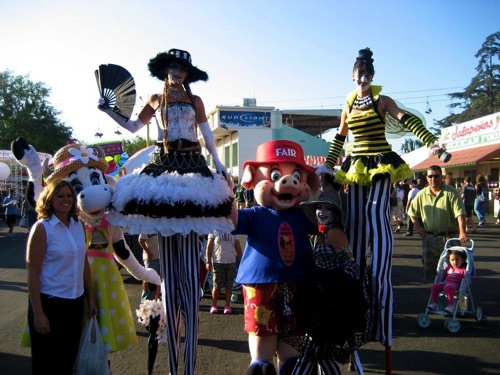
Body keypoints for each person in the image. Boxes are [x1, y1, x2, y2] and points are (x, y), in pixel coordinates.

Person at [99, 48, 233, 375]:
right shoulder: (156, 98)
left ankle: (187, 365)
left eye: (182, 68)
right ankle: (175, 367)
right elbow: (132, 127)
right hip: (163, 166)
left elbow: (206, 135)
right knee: (172, 284)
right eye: (172, 67)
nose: (177, 72)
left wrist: (217, 163)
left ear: (188, 72)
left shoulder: (196, 100)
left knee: (189, 272)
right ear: (165, 70)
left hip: (192, 165)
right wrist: (109, 112)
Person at [318, 47, 441, 359]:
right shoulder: (347, 104)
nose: (363, 80)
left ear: (372, 77)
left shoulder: (381, 100)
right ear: (352, 75)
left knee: (375, 213)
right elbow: (338, 139)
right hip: (355, 163)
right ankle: (356, 309)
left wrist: (430, 141)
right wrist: (329, 166)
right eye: (359, 75)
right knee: (356, 225)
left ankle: (382, 307)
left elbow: (406, 119)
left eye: (368, 76)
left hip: (380, 161)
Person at [293, 191, 372, 374]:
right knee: (315, 353)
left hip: (329, 307)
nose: (322, 211)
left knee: (313, 350)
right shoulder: (322, 233)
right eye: (320, 207)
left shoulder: (334, 233)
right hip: (319, 303)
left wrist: (334, 290)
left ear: (335, 214)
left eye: (328, 208)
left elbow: (350, 266)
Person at [26, 180, 97, 374]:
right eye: (60, 196)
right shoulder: (42, 228)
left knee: (68, 360)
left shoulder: (77, 225)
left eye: (69, 196)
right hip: (50, 304)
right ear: (50, 199)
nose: (66, 200)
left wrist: (90, 298)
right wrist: (38, 313)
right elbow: (32, 273)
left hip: (74, 303)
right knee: (46, 364)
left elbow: (83, 263)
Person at [407, 165, 468, 284]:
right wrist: (418, 228)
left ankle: (453, 297)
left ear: (442, 177)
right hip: (429, 238)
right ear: (426, 177)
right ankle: (434, 296)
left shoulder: (451, 192)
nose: (433, 178)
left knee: (454, 270)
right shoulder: (421, 194)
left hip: (450, 238)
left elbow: (460, 214)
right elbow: (412, 213)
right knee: (430, 269)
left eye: (436, 176)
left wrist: (462, 232)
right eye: (430, 176)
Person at [138, 233, 161, 375]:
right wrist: (148, 252)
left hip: (160, 259)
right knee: (148, 288)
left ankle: (154, 314)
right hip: (151, 259)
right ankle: (145, 315)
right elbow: (140, 240)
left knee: (157, 287)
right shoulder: (147, 223)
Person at [205, 230, 243, 314]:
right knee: (217, 285)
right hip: (218, 261)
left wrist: (243, 262)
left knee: (229, 285)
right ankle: (214, 305)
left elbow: (238, 247)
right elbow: (209, 246)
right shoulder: (214, 229)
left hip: (231, 262)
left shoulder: (233, 229)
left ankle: (227, 305)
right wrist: (208, 261)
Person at [427, 249, 467, 314]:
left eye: (457, 259)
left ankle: (451, 305)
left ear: (462, 260)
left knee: (448, 287)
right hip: (445, 283)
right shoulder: (448, 268)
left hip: (455, 285)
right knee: (435, 286)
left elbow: (466, 279)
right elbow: (442, 274)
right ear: (449, 260)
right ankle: (434, 303)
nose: (455, 262)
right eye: (452, 260)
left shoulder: (463, 270)